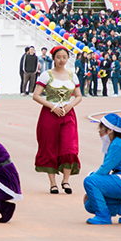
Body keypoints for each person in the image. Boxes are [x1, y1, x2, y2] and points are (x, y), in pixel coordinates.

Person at [32, 46, 83, 194]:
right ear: (53, 58)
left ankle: (65, 180)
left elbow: (79, 96)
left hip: (68, 115)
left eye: (64, 57)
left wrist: (70, 106)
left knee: (70, 147)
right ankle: (53, 183)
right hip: (49, 115)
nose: (61, 60)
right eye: (58, 57)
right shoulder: (46, 75)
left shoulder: (72, 75)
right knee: (49, 146)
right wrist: (52, 107)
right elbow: (36, 95)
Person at [83, 113, 121, 224]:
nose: (99, 131)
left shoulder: (117, 145)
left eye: (101, 128)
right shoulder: (113, 143)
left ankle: (103, 217)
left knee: (89, 181)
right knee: (90, 205)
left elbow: (104, 170)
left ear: (109, 130)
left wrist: (89, 186)